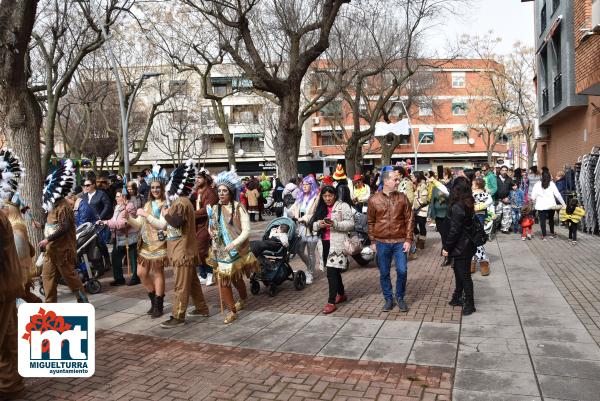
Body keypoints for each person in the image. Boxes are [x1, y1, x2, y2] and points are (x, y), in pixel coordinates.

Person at [159, 161, 210, 328]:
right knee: (193, 282)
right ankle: (202, 308)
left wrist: (166, 214)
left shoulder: (180, 202)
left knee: (180, 286)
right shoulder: (182, 201)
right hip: (184, 250)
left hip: (182, 252)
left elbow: (176, 222)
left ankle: (178, 316)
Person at [207, 170, 259, 324]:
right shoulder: (214, 208)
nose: (221, 193)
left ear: (230, 192)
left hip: (236, 249)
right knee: (223, 281)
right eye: (219, 191)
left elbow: (247, 231)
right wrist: (211, 231)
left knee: (237, 279)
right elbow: (211, 227)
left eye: (224, 191)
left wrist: (233, 244)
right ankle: (232, 310)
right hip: (220, 250)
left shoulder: (238, 207)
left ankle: (243, 298)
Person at [39, 160, 88, 303]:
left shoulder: (64, 206)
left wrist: (47, 239)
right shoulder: (52, 206)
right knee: (47, 278)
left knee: (71, 279)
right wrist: (41, 227)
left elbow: (64, 227)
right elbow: (52, 226)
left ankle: (83, 301)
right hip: (50, 252)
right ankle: (50, 307)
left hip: (63, 252)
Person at [368, 168, 414, 312]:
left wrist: (408, 239)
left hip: (400, 241)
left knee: (402, 270)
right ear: (386, 181)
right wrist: (373, 241)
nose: (397, 181)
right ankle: (388, 299)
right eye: (395, 179)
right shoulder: (374, 200)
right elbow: (370, 222)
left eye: (397, 179)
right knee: (384, 273)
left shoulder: (402, 198)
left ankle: (399, 297)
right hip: (381, 242)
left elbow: (409, 219)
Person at [127, 164, 169, 318]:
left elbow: (162, 224)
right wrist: (128, 218)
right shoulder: (147, 204)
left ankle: (159, 304)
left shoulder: (165, 204)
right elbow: (138, 224)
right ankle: (153, 300)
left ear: (162, 188)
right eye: (152, 187)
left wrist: (146, 215)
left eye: (158, 187)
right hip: (145, 245)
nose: (155, 190)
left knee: (158, 273)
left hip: (159, 244)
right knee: (141, 273)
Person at [310, 186, 354, 314]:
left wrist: (335, 224)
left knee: (331, 273)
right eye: (325, 196)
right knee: (333, 271)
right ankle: (341, 294)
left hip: (338, 244)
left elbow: (350, 223)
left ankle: (331, 302)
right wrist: (319, 224)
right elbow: (312, 224)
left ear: (335, 195)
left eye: (330, 195)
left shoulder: (343, 206)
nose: (327, 198)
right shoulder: (320, 207)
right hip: (324, 243)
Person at [0, 197, 25, 399]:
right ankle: (12, 386)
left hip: (3, 287)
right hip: (7, 286)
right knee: (9, 338)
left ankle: (10, 386)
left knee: (7, 340)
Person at [442, 176, 477, 315]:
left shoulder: (458, 206)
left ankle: (470, 303)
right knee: (459, 271)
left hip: (461, 245)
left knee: (464, 274)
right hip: (466, 244)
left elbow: (454, 230)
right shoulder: (467, 203)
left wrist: (446, 247)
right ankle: (457, 296)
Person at [100, 190, 139, 286]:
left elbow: (123, 223)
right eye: (116, 196)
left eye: (118, 196)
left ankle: (136, 277)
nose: (116, 198)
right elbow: (114, 220)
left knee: (133, 259)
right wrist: (104, 221)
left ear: (124, 197)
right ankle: (119, 278)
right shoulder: (117, 207)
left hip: (129, 237)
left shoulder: (130, 207)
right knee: (115, 257)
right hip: (118, 238)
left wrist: (108, 223)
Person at [288, 175, 319, 284]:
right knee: (299, 250)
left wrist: (304, 218)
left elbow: (314, 213)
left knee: (311, 252)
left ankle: (310, 273)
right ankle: (310, 267)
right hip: (300, 228)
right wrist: (288, 213)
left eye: (307, 184)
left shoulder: (316, 197)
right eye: (303, 184)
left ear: (312, 185)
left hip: (311, 228)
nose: (304, 186)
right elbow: (293, 208)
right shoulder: (300, 197)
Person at [191, 169, 218, 286]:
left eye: (199, 178)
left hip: (207, 224)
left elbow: (207, 210)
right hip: (197, 224)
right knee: (197, 250)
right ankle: (203, 274)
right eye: (196, 178)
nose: (196, 180)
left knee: (203, 251)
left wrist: (191, 214)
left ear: (206, 179)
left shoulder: (210, 192)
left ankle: (210, 274)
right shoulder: (197, 191)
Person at [82, 176, 112, 270]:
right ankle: (95, 264)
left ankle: (107, 261)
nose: (86, 187)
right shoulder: (84, 196)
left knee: (100, 242)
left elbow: (107, 206)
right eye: (84, 185)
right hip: (88, 223)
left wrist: (100, 217)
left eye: (88, 185)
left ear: (93, 185)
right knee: (89, 243)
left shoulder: (101, 194)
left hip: (99, 222)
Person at [531, 169, 566, 240]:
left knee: (542, 221)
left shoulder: (537, 184)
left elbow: (533, 197)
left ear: (541, 176)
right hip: (551, 205)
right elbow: (558, 195)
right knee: (551, 219)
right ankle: (552, 233)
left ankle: (543, 235)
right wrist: (564, 204)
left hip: (541, 206)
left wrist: (535, 199)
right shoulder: (552, 184)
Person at [471, 178, 493, 276]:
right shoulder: (486, 195)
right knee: (475, 241)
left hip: (474, 219)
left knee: (476, 242)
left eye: (473, 184)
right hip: (480, 219)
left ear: (476, 186)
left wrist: (475, 207)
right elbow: (489, 203)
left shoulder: (471, 195)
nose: (471, 186)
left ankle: (481, 263)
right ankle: (481, 264)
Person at [429, 177, 451, 265]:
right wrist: (431, 214)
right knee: (443, 235)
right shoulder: (434, 189)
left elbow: (450, 199)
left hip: (447, 215)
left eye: (446, 176)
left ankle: (448, 256)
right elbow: (432, 202)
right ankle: (445, 250)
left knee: (447, 235)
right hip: (438, 216)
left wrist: (444, 193)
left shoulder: (448, 188)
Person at [412, 171, 429, 250]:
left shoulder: (423, 185)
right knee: (413, 226)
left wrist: (416, 204)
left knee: (422, 225)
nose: (411, 178)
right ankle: (419, 238)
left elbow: (424, 200)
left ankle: (421, 242)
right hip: (415, 209)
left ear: (417, 177)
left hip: (421, 210)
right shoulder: (414, 185)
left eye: (413, 177)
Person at [495, 165, 513, 233]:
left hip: (506, 200)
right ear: (500, 171)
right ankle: (495, 227)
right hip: (498, 200)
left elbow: (512, 190)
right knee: (497, 215)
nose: (504, 172)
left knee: (507, 215)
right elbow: (494, 189)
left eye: (506, 170)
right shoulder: (496, 179)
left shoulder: (509, 179)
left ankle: (505, 228)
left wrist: (508, 197)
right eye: (503, 170)